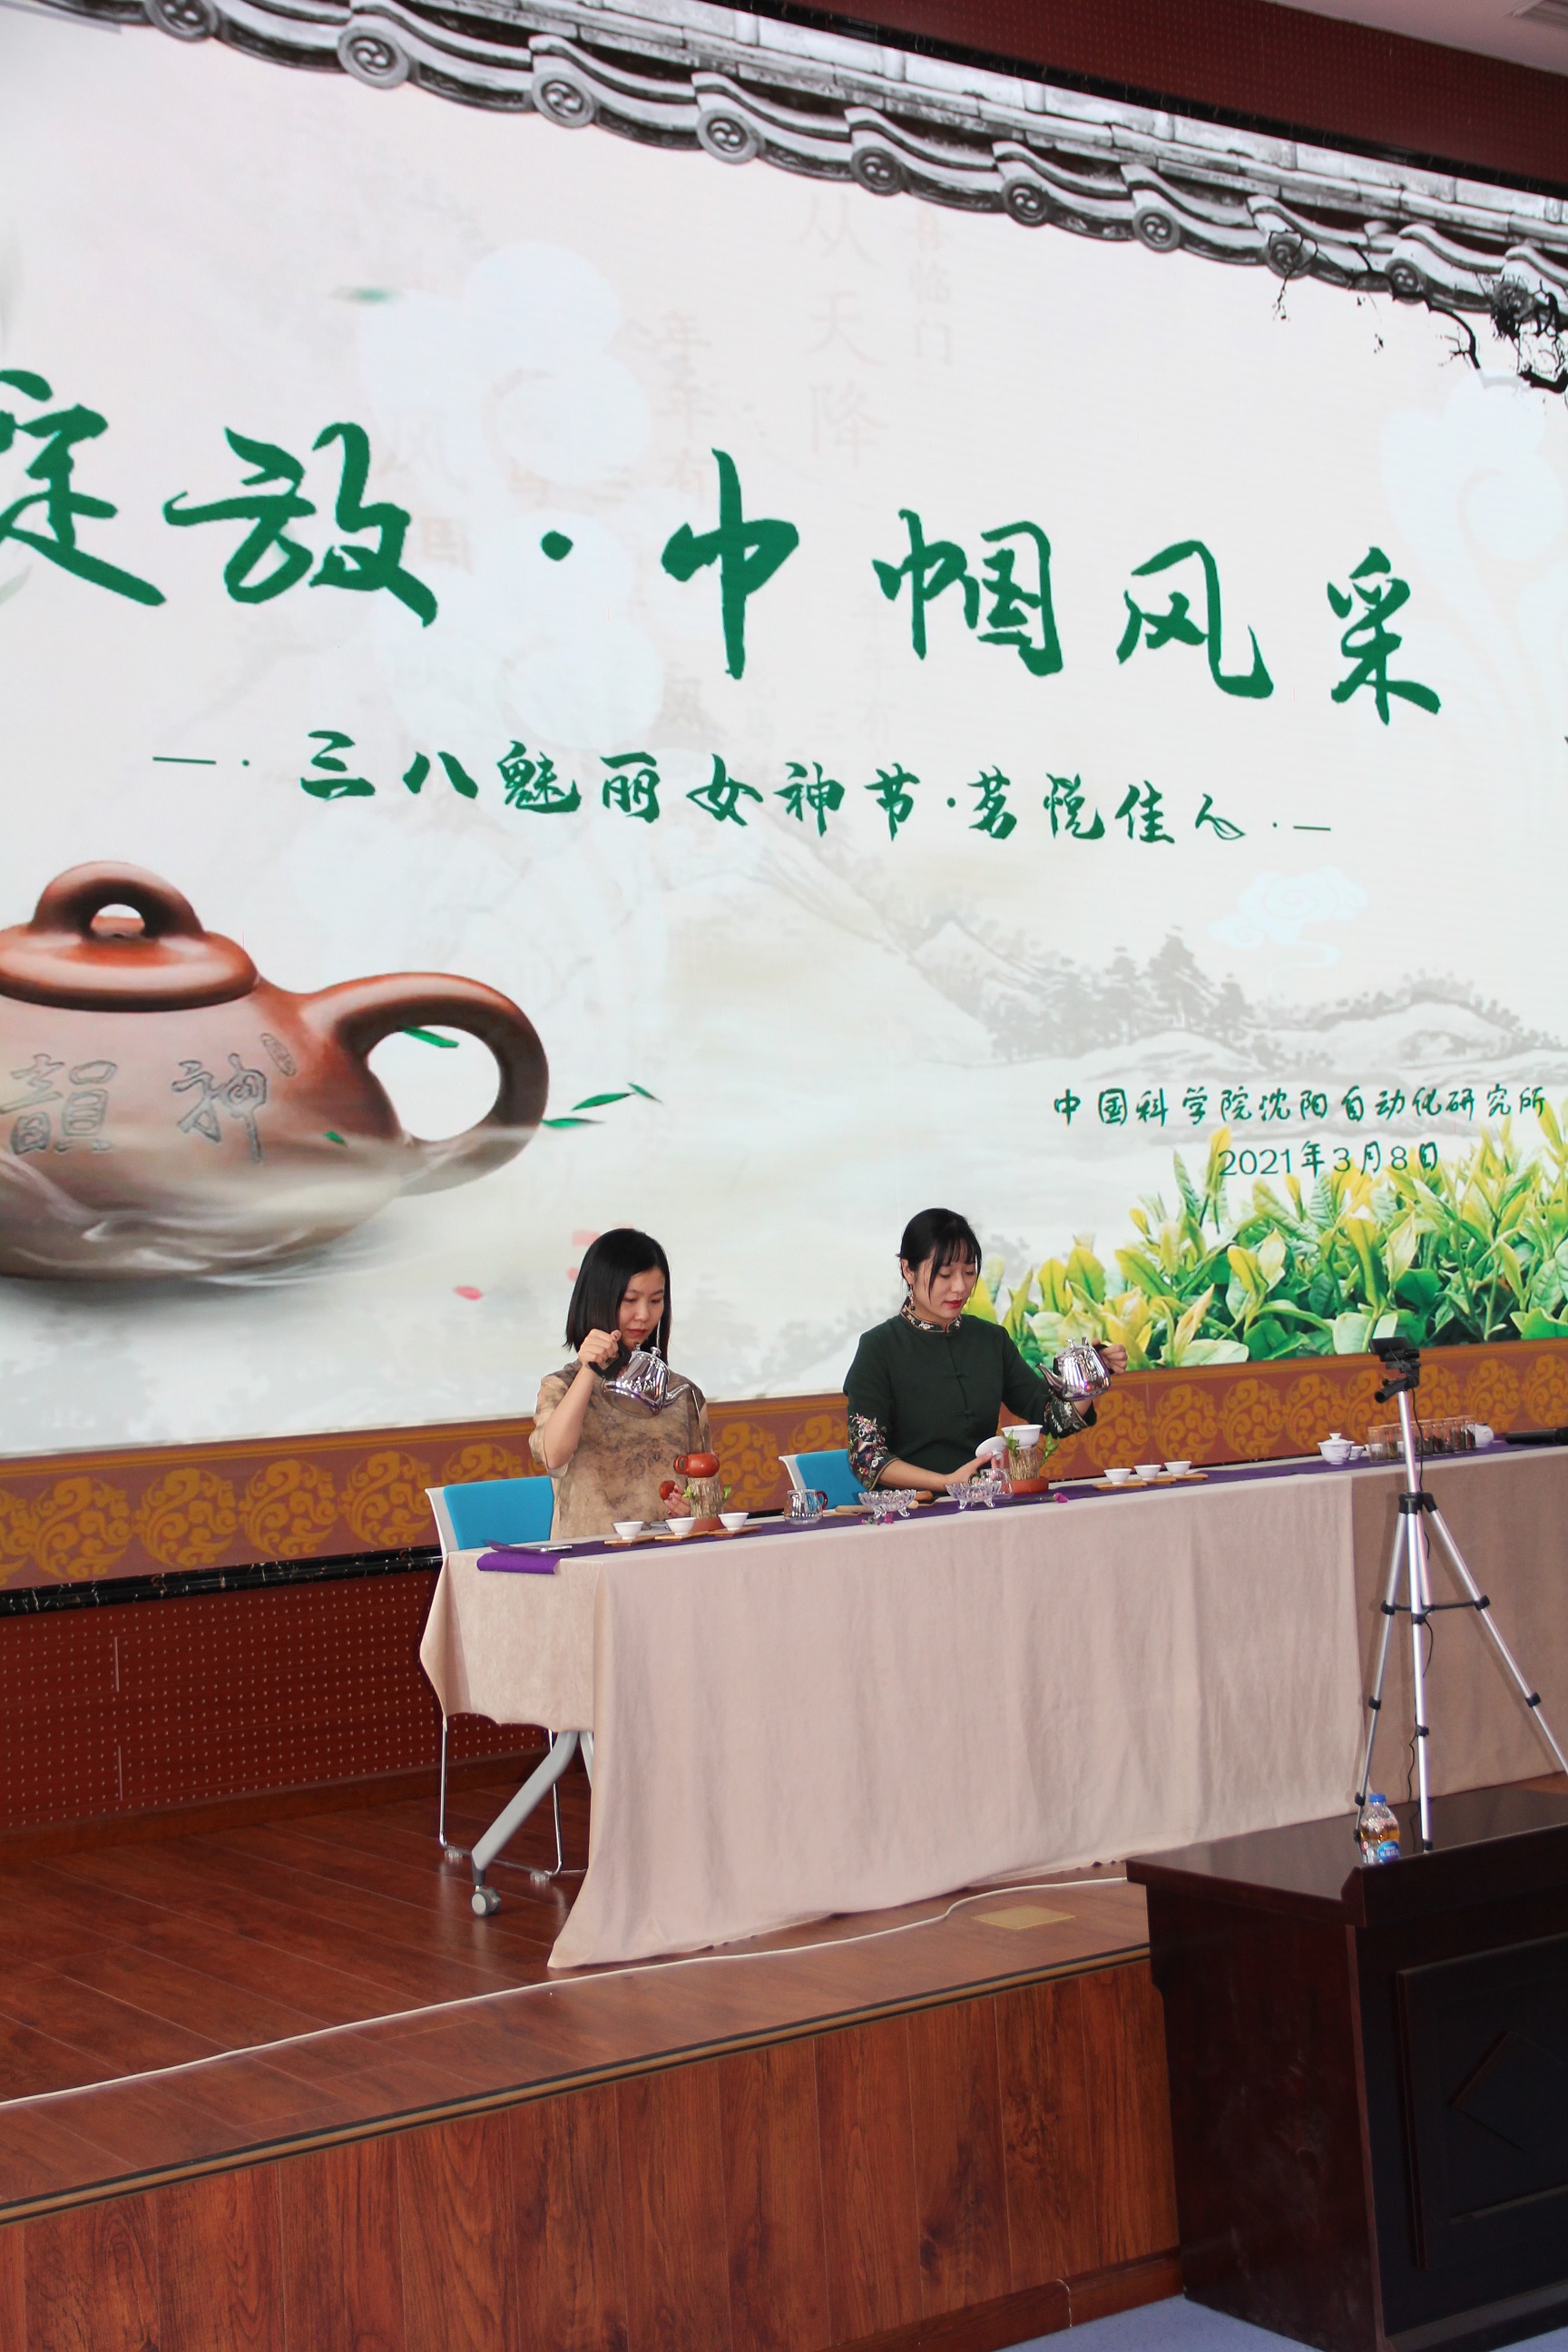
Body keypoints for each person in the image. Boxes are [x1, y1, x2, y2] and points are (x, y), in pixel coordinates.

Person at [844, 1207, 1127, 1495]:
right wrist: (945, 1482)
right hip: (914, 1509)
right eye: (945, 1274)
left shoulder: (990, 1340)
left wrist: (1088, 1380)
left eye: (969, 1273)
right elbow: (866, 1458)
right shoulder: (879, 1348)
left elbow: (1053, 1416)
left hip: (984, 1504)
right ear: (908, 1270)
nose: (960, 1287)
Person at [530, 1228, 712, 1538]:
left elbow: (708, 1498)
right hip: (590, 1557)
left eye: (656, 1300)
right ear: (599, 1299)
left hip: (667, 1554)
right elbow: (553, 1456)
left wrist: (692, 1510)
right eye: (630, 1300)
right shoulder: (562, 1386)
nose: (643, 1315)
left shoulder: (682, 1394)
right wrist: (590, 1369)